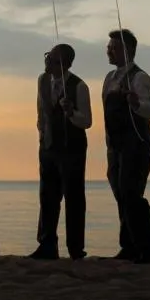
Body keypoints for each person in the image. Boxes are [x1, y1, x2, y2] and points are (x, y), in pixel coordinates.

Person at [102, 29, 150, 264]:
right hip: (115, 147)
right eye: (109, 47)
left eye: (114, 47)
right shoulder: (109, 78)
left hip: (137, 145)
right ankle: (129, 246)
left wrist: (136, 103)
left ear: (128, 50)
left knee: (131, 194)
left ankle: (149, 249)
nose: (109, 51)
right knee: (121, 195)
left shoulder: (140, 77)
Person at [28, 44, 91, 261]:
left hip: (72, 148)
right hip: (48, 147)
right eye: (47, 57)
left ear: (66, 64)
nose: (48, 63)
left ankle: (76, 248)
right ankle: (47, 245)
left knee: (74, 198)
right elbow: (41, 111)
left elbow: (87, 121)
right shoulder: (42, 80)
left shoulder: (79, 86)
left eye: (53, 60)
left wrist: (71, 112)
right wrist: (41, 134)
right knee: (47, 196)